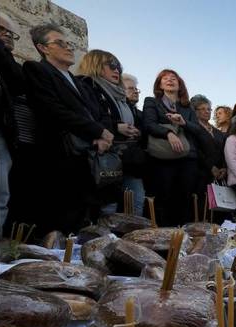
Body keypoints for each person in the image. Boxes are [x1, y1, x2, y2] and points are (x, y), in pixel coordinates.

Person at [22, 23, 114, 236]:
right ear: (43, 48)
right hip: (57, 155)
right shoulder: (36, 69)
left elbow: (94, 111)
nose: (69, 48)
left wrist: (101, 134)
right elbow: (51, 108)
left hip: (85, 157)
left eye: (69, 43)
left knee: (81, 216)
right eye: (60, 43)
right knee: (58, 219)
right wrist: (96, 131)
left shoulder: (76, 80)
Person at [77, 49, 140, 215]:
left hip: (124, 157)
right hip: (101, 157)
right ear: (95, 65)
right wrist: (116, 127)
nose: (117, 70)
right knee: (105, 209)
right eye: (111, 65)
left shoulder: (118, 95)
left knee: (132, 206)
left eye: (118, 66)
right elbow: (88, 116)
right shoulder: (86, 85)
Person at [142, 69, 206, 226]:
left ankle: (181, 238)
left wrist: (183, 122)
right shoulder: (151, 101)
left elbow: (198, 130)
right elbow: (148, 124)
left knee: (184, 200)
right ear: (160, 84)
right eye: (165, 78)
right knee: (162, 198)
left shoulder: (187, 108)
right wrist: (169, 133)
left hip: (186, 159)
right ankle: (163, 238)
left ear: (180, 85)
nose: (170, 80)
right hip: (161, 158)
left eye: (174, 78)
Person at [0, 11, 26, 240]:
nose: (6, 36)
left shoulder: (6, 62)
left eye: (10, 33)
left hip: (1, 134)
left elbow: (18, 83)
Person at [120, 73, 147, 216]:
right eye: (131, 88)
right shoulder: (113, 108)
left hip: (133, 165)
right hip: (112, 163)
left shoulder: (140, 113)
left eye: (136, 89)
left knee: (136, 206)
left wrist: (140, 133)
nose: (135, 91)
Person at [190, 94, 226, 194]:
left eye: (209, 109)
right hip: (200, 174)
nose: (207, 111)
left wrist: (224, 167)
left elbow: (224, 151)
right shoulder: (192, 128)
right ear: (195, 110)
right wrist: (210, 167)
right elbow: (196, 150)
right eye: (202, 109)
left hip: (219, 175)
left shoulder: (218, 132)